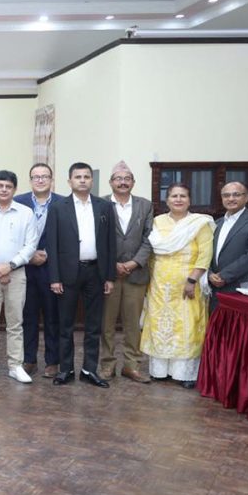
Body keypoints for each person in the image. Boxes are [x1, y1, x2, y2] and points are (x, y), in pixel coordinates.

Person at [46, 162, 116, 388]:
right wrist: (54, 278)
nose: (83, 180)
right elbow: (52, 245)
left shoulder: (104, 206)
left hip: (96, 272)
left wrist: (109, 277)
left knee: (94, 325)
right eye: (78, 177)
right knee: (65, 325)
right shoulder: (58, 207)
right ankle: (66, 369)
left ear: (92, 181)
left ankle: (89, 370)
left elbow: (110, 243)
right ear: (70, 181)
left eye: (87, 176)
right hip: (67, 273)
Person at [140, 183, 215, 389]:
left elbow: (205, 254)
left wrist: (192, 280)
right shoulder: (157, 222)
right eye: (174, 196)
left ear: (189, 200)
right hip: (159, 284)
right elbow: (151, 253)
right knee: (160, 324)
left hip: (188, 283)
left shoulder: (199, 223)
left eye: (183, 196)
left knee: (186, 325)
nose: (178, 199)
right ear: (167, 201)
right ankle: (159, 371)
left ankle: (185, 374)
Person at [0, 170, 39, 383]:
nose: (4, 190)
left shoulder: (25, 213)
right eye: (0, 186)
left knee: (16, 322)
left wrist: (10, 266)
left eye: (8, 186)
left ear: (15, 189)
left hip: (16, 274)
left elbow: (31, 245)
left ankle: (15, 366)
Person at [98, 161, 154, 383]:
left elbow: (150, 238)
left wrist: (134, 263)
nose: (123, 182)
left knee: (133, 325)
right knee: (107, 324)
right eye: (118, 179)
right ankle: (107, 365)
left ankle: (132, 366)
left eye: (127, 179)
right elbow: (95, 237)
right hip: (107, 275)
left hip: (135, 274)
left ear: (133, 182)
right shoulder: (100, 204)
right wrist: (111, 264)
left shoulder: (145, 205)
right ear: (111, 182)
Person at [14, 163, 63, 378]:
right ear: (30, 180)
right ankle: (29, 360)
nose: (40, 180)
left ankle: (52, 361)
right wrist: (29, 255)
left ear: (52, 179)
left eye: (45, 176)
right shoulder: (18, 202)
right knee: (28, 316)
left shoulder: (63, 203)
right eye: (36, 177)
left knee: (53, 316)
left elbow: (69, 236)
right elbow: (12, 234)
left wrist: (49, 254)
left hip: (53, 270)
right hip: (25, 268)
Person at [208, 181, 248, 310]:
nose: (231, 199)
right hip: (214, 290)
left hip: (240, 290)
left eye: (236, 194)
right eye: (226, 195)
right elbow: (206, 253)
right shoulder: (216, 223)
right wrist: (210, 274)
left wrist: (224, 276)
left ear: (246, 197)